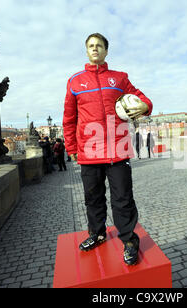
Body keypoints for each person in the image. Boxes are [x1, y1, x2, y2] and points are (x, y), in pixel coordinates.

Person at [63, 33, 152, 266]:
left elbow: (142, 99)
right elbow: (69, 118)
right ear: (86, 51)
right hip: (89, 151)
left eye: (99, 46)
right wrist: (71, 146)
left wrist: (145, 106)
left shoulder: (120, 78)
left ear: (106, 51)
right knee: (93, 198)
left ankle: (129, 240)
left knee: (123, 198)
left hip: (117, 150)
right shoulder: (74, 81)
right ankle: (97, 234)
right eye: (91, 46)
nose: (95, 49)